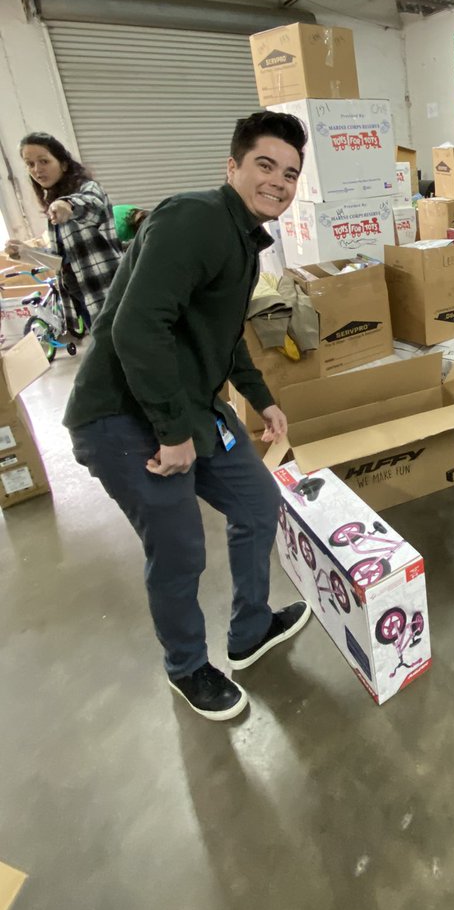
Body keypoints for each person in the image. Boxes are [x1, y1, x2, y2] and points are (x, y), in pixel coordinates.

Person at [64, 111, 311, 722]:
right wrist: (174, 434)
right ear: (232, 166)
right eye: (265, 165)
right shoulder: (196, 219)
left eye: (290, 173)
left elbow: (223, 339)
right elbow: (135, 327)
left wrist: (262, 398)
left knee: (258, 504)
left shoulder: (244, 242)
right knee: (178, 551)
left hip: (187, 407)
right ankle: (186, 669)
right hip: (120, 417)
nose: (278, 181)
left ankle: (250, 630)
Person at [5, 133, 121, 332]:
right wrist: (25, 253)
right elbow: (60, 261)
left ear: (64, 164)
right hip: (80, 294)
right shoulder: (54, 208)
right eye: (30, 164)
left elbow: (91, 205)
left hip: (106, 290)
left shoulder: (88, 189)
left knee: (122, 345)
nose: (37, 169)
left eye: (44, 161)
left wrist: (67, 204)